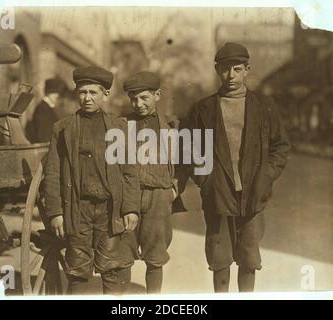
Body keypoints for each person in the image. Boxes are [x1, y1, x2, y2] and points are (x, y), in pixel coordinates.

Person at [180, 42, 291, 292]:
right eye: (225, 70)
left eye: (237, 69)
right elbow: (188, 147)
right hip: (218, 193)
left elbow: (281, 146)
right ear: (217, 70)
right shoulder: (203, 109)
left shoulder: (264, 106)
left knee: (248, 258)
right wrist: (204, 177)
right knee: (220, 258)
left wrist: (267, 175)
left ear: (247, 69)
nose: (231, 76)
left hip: (253, 193)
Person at [43, 66, 140, 295]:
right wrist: (55, 212)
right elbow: (53, 172)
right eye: (83, 92)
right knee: (77, 270)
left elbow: (129, 172)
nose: (87, 98)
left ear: (104, 94)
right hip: (78, 209)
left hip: (109, 210)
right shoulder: (63, 129)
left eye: (93, 93)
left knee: (113, 269)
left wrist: (131, 208)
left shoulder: (119, 128)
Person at [123, 71, 178, 294]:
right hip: (129, 196)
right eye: (133, 99)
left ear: (157, 95)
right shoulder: (121, 125)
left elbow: (183, 163)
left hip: (158, 197)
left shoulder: (172, 127)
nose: (138, 104)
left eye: (144, 97)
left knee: (155, 257)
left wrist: (174, 189)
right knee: (122, 255)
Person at [29, 78, 66, 143]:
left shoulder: (47, 108)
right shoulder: (42, 109)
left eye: (57, 93)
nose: (57, 96)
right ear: (47, 93)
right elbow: (43, 136)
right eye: (53, 93)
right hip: (45, 148)